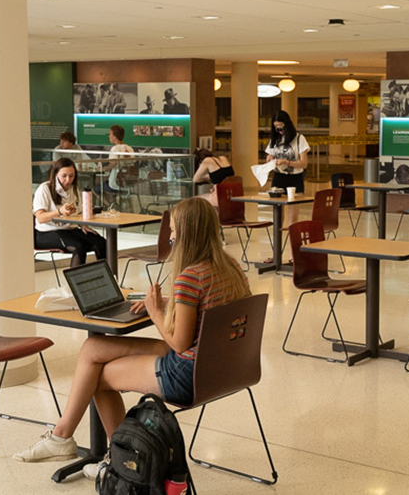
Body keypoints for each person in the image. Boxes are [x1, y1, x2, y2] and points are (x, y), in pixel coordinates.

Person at [14, 198, 251, 478]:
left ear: (188, 233)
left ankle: (119, 461)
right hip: (225, 368)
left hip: (188, 374)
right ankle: (64, 438)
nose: (171, 236)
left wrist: (154, 312)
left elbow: (179, 344)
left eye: (174, 230)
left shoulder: (190, 277)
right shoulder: (230, 266)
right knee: (92, 347)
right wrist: (166, 306)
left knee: (98, 379)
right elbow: (205, 314)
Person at [33, 157, 107, 267]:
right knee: (78, 247)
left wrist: (83, 225)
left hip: (68, 229)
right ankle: (77, 283)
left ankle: (106, 279)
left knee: (101, 242)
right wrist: (59, 211)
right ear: (55, 174)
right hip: (46, 232)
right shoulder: (45, 188)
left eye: (71, 176)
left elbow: (78, 213)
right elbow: (40, 218)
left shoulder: (74, 189)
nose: (68, 180)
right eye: (64, 176)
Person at [264, 110, 309, 227]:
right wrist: (270, 157)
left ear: (287, 124)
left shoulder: (299, 139)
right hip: (278, 177)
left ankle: (292, 242)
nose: (278, 129)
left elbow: (304, 163)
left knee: (292, 218)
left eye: (280, 125)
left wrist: (287, 162)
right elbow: (270, 154)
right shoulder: (275, 139)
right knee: (278, 216)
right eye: (276, 126)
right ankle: (278, 243)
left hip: (295, 178)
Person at [103, 125, 134, 209]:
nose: (109, 136)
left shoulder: (115, 149)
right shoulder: (129, 148)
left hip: (115, 182)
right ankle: (114, 203)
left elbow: (113, 163)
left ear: (115, 136)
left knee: (96, 188)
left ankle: (111, 205)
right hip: (127, 183)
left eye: (110, 134)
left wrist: (104, 169)